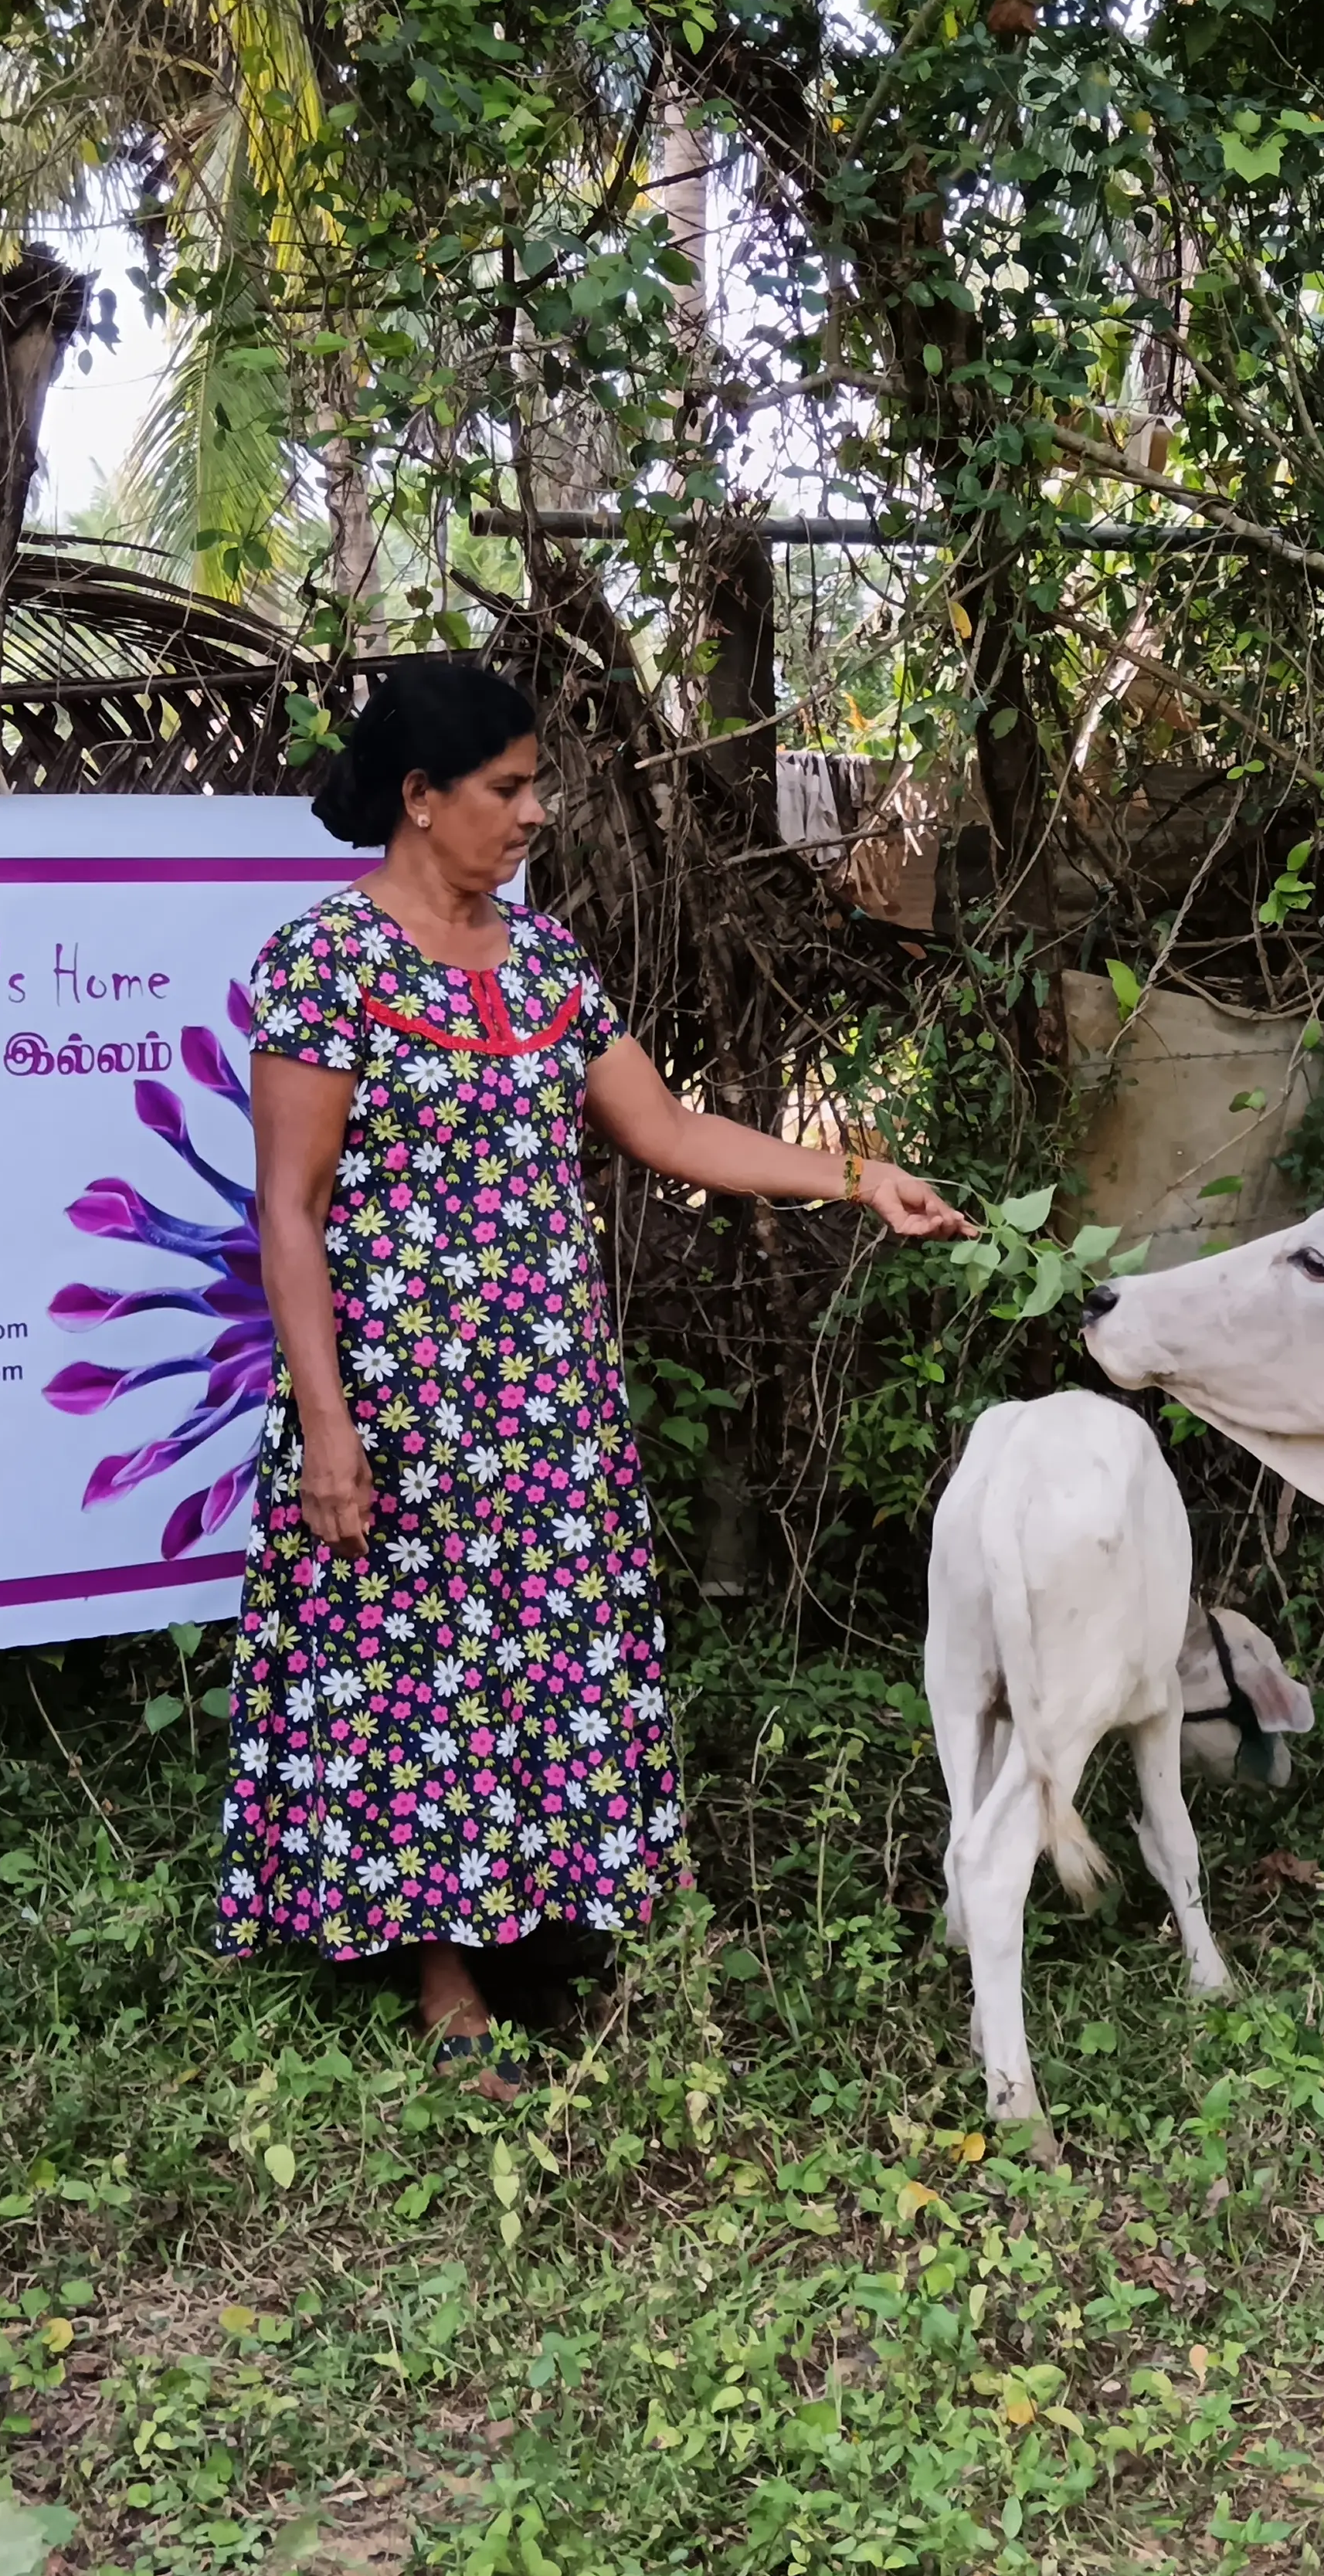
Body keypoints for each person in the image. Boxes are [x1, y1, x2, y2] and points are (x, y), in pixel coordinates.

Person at [219, 658, 970, 2094]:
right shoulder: (324, 965)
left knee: (533, 1662)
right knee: (411, 1679)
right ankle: (443, 1980)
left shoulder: (549, 965)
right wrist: (328, 1425)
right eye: (506, 790)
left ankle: (524, 1923)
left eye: (534, 785)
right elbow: (289, 1210)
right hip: (396, 1397)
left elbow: (671, 1129)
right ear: (421, 800)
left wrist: (859, 1174)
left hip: (543, 1401)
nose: (534, 813)